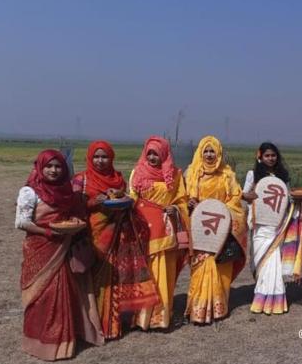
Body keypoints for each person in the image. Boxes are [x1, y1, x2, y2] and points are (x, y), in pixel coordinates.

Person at [15, 149, 103, 360]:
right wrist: (48, 231)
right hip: (41, 248)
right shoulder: (29, 192)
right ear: (40, 168)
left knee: (64, 292)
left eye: (58, 167)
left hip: (64, 246)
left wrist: (73, 223)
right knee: (42, 294)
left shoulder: (66, 191)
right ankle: (40, 342)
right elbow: (21, 222)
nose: (53, 170)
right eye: (49, 166)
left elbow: (72, 214)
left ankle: (65, 343)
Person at [72, 141, 158, 339]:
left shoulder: (118, 179)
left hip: (117, 234)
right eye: (96, 157)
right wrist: (95, 202)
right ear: (90, 158)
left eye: (105, 157)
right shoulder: (81, 179)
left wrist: (125, 201)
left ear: (111, 158)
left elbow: (124, 199)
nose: (100, 161)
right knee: (94, 280)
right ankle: (91, 324)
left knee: (114, 279)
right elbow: (75, 206)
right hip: (92, 236)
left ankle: (111, 325)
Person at [184, 136, 248, 324]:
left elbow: (235, 200)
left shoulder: (227, 175)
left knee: (220, 268)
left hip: (221, 230)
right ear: (200, 152)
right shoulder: (192, 174)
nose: (209, 155)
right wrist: (189, 203)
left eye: (213, 151)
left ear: (219, 153)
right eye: (206, 151)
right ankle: (197, 310)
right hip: (200, 229)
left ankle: (217, 309)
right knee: (199, 269)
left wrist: (221, 211)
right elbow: (184, 198)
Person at [129, 136, 190, 330]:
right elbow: (131, 199)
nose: (153, 157)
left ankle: (160, 317)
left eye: (156, 153)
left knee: (163, 273)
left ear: (164, 153)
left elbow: (182, 200)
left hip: (165, 230)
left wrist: (176, 208)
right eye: (150, 153)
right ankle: (140, 317)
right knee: (144, 273)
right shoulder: (136, 173)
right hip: (141, 230)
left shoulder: (176, 174)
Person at [242, 142, 302, 315]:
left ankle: (273, 300)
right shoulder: (253, 175)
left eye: (273, 155)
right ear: (260, 157)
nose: (270, 158)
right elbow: (244, 195)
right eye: (267, 155)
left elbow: (288, 198)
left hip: (277, 224)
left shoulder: (282, 176)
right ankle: (262, 296)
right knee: (260, 260)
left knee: (273, 260)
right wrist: (248, 195)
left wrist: (296, 201)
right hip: (259, 224)